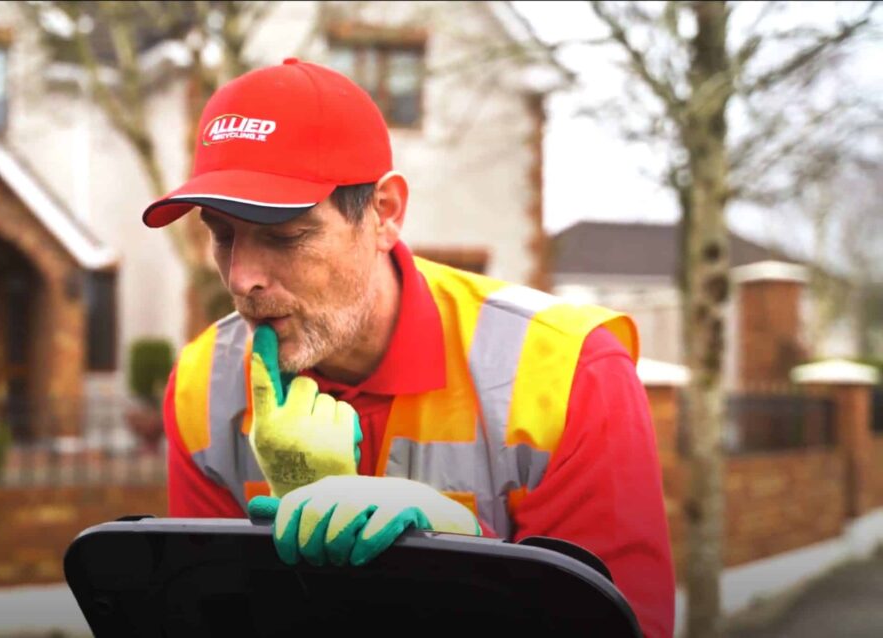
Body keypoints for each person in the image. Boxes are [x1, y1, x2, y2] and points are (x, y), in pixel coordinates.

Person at [141, 58, 675, 638]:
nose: (241, 277)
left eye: (284, 236)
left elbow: (627, 627)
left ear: (384, 213)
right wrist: (292, 519)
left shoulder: (568, 371)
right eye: (222, 235)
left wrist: (458, 555)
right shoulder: (203, 387)